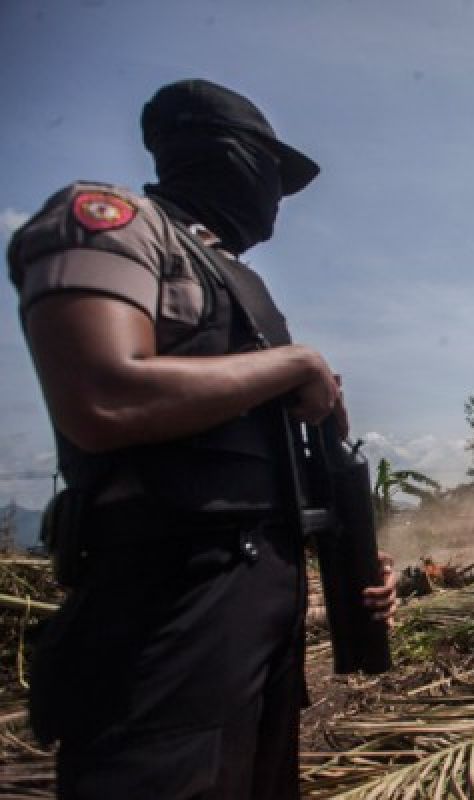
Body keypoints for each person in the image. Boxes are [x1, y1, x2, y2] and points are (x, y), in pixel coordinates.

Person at [6, 79, 396, 799]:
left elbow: (259, 470)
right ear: (233, 159)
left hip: (253, 620)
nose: (279, 201)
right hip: (164, 610)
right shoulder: (116, 222)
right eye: (275, 177)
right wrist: (298, 363)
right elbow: (101, 397)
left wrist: (360, 564)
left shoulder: (231, 279)